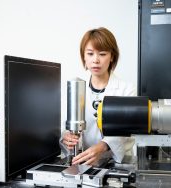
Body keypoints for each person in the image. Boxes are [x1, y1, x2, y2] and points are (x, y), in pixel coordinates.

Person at [60, 27, 136, 166]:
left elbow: (125, 133)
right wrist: (66, 136)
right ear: (83, 56)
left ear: (112, 56)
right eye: (90, 54)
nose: (95, 60)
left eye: (102, 54)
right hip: (83, 162)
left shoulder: (127, 90)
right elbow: (65, 125)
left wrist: (102, 146)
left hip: (117, 163)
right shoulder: (75, 88)